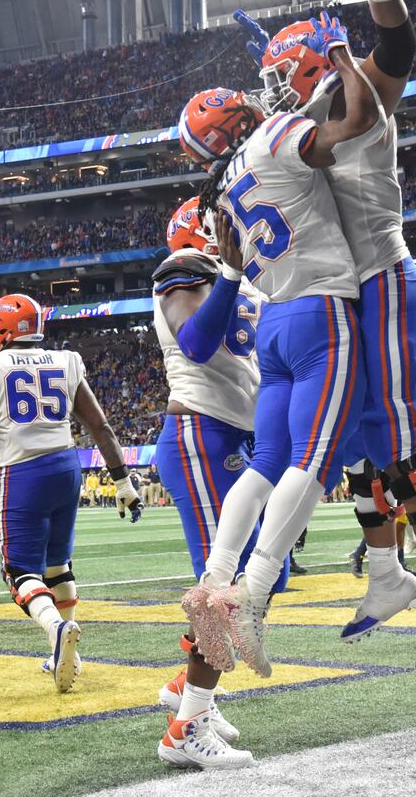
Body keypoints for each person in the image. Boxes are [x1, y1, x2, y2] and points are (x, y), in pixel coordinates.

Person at [229, 0, 416, 674]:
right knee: (366, 452)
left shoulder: (360, 103)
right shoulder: (301, 126)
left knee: (403, 453)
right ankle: (388, 575)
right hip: (349, 296)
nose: (277, 94)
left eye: (288, 78)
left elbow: (398, 52)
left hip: (381, 286)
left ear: (315, 71)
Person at [0, 292, 141, 695]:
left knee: (20, 572)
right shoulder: (67, 360)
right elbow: (101, 427)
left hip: (22, 472)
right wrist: (123, 481)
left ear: (2, 329)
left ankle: (57, 629)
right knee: (58, 565)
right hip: (66, 467)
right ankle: (66, 656)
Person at [151, 197, 274, 769]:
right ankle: (185, 729)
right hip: (201, 435)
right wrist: (226, 271)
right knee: (219, 593)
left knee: (256, 580)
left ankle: (188, 688)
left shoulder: (248, 279)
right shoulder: (184, 273)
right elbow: (196, 344)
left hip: (236, 438)